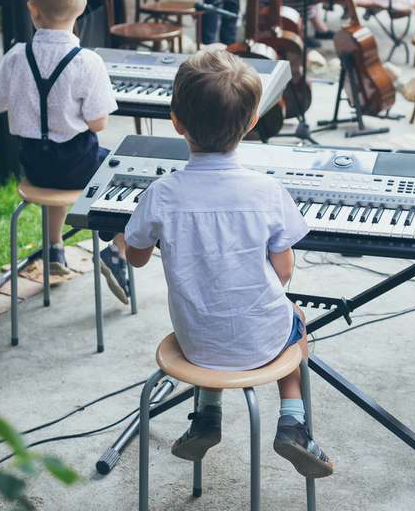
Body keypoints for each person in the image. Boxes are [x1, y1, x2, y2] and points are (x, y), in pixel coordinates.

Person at [117, 50, 334, 479]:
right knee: (295, 318)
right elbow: (284, 270)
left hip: (194, 343)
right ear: (253, 122)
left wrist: (127, 238)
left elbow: (137, 258)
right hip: (262, 341)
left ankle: (207, 415)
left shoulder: (161, 194)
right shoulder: (267, 192)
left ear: (176, 121)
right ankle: (292, 420)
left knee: (209, 316)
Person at [0, 0, 128, 295]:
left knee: (57, 166)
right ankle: (117, 251)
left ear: (33, 10)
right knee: (123, 172)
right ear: (80, 8)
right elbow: (98, 123)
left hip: (34, 166)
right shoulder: (88, 63)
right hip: (77, 166)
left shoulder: (17, 56)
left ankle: (54, 248)